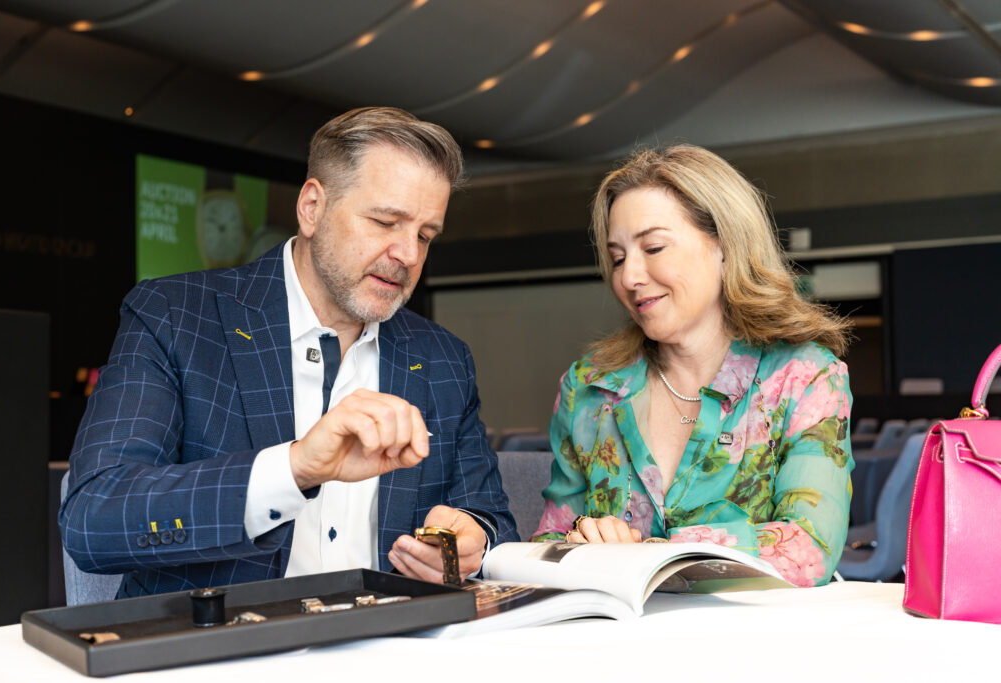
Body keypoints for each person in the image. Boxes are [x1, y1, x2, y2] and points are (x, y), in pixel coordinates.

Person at [60, 107, 517, 597]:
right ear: (312, 207)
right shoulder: (176, 316)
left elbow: (490, 519)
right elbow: (94, 520)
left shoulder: (444, 358)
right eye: (386, 222)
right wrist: (295, 469)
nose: (408, 254)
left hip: (393, 638)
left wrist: (470, 544)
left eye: (425, 236)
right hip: (224, 640)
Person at [531, 144, 853, 587]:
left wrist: (649, 554)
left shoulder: (804, 377)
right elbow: (546, 546)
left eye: (654, 247)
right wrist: (581, 538)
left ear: (725, 245)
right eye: (618, 257)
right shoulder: (588, 387)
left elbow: (809, 548)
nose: (628, 277)